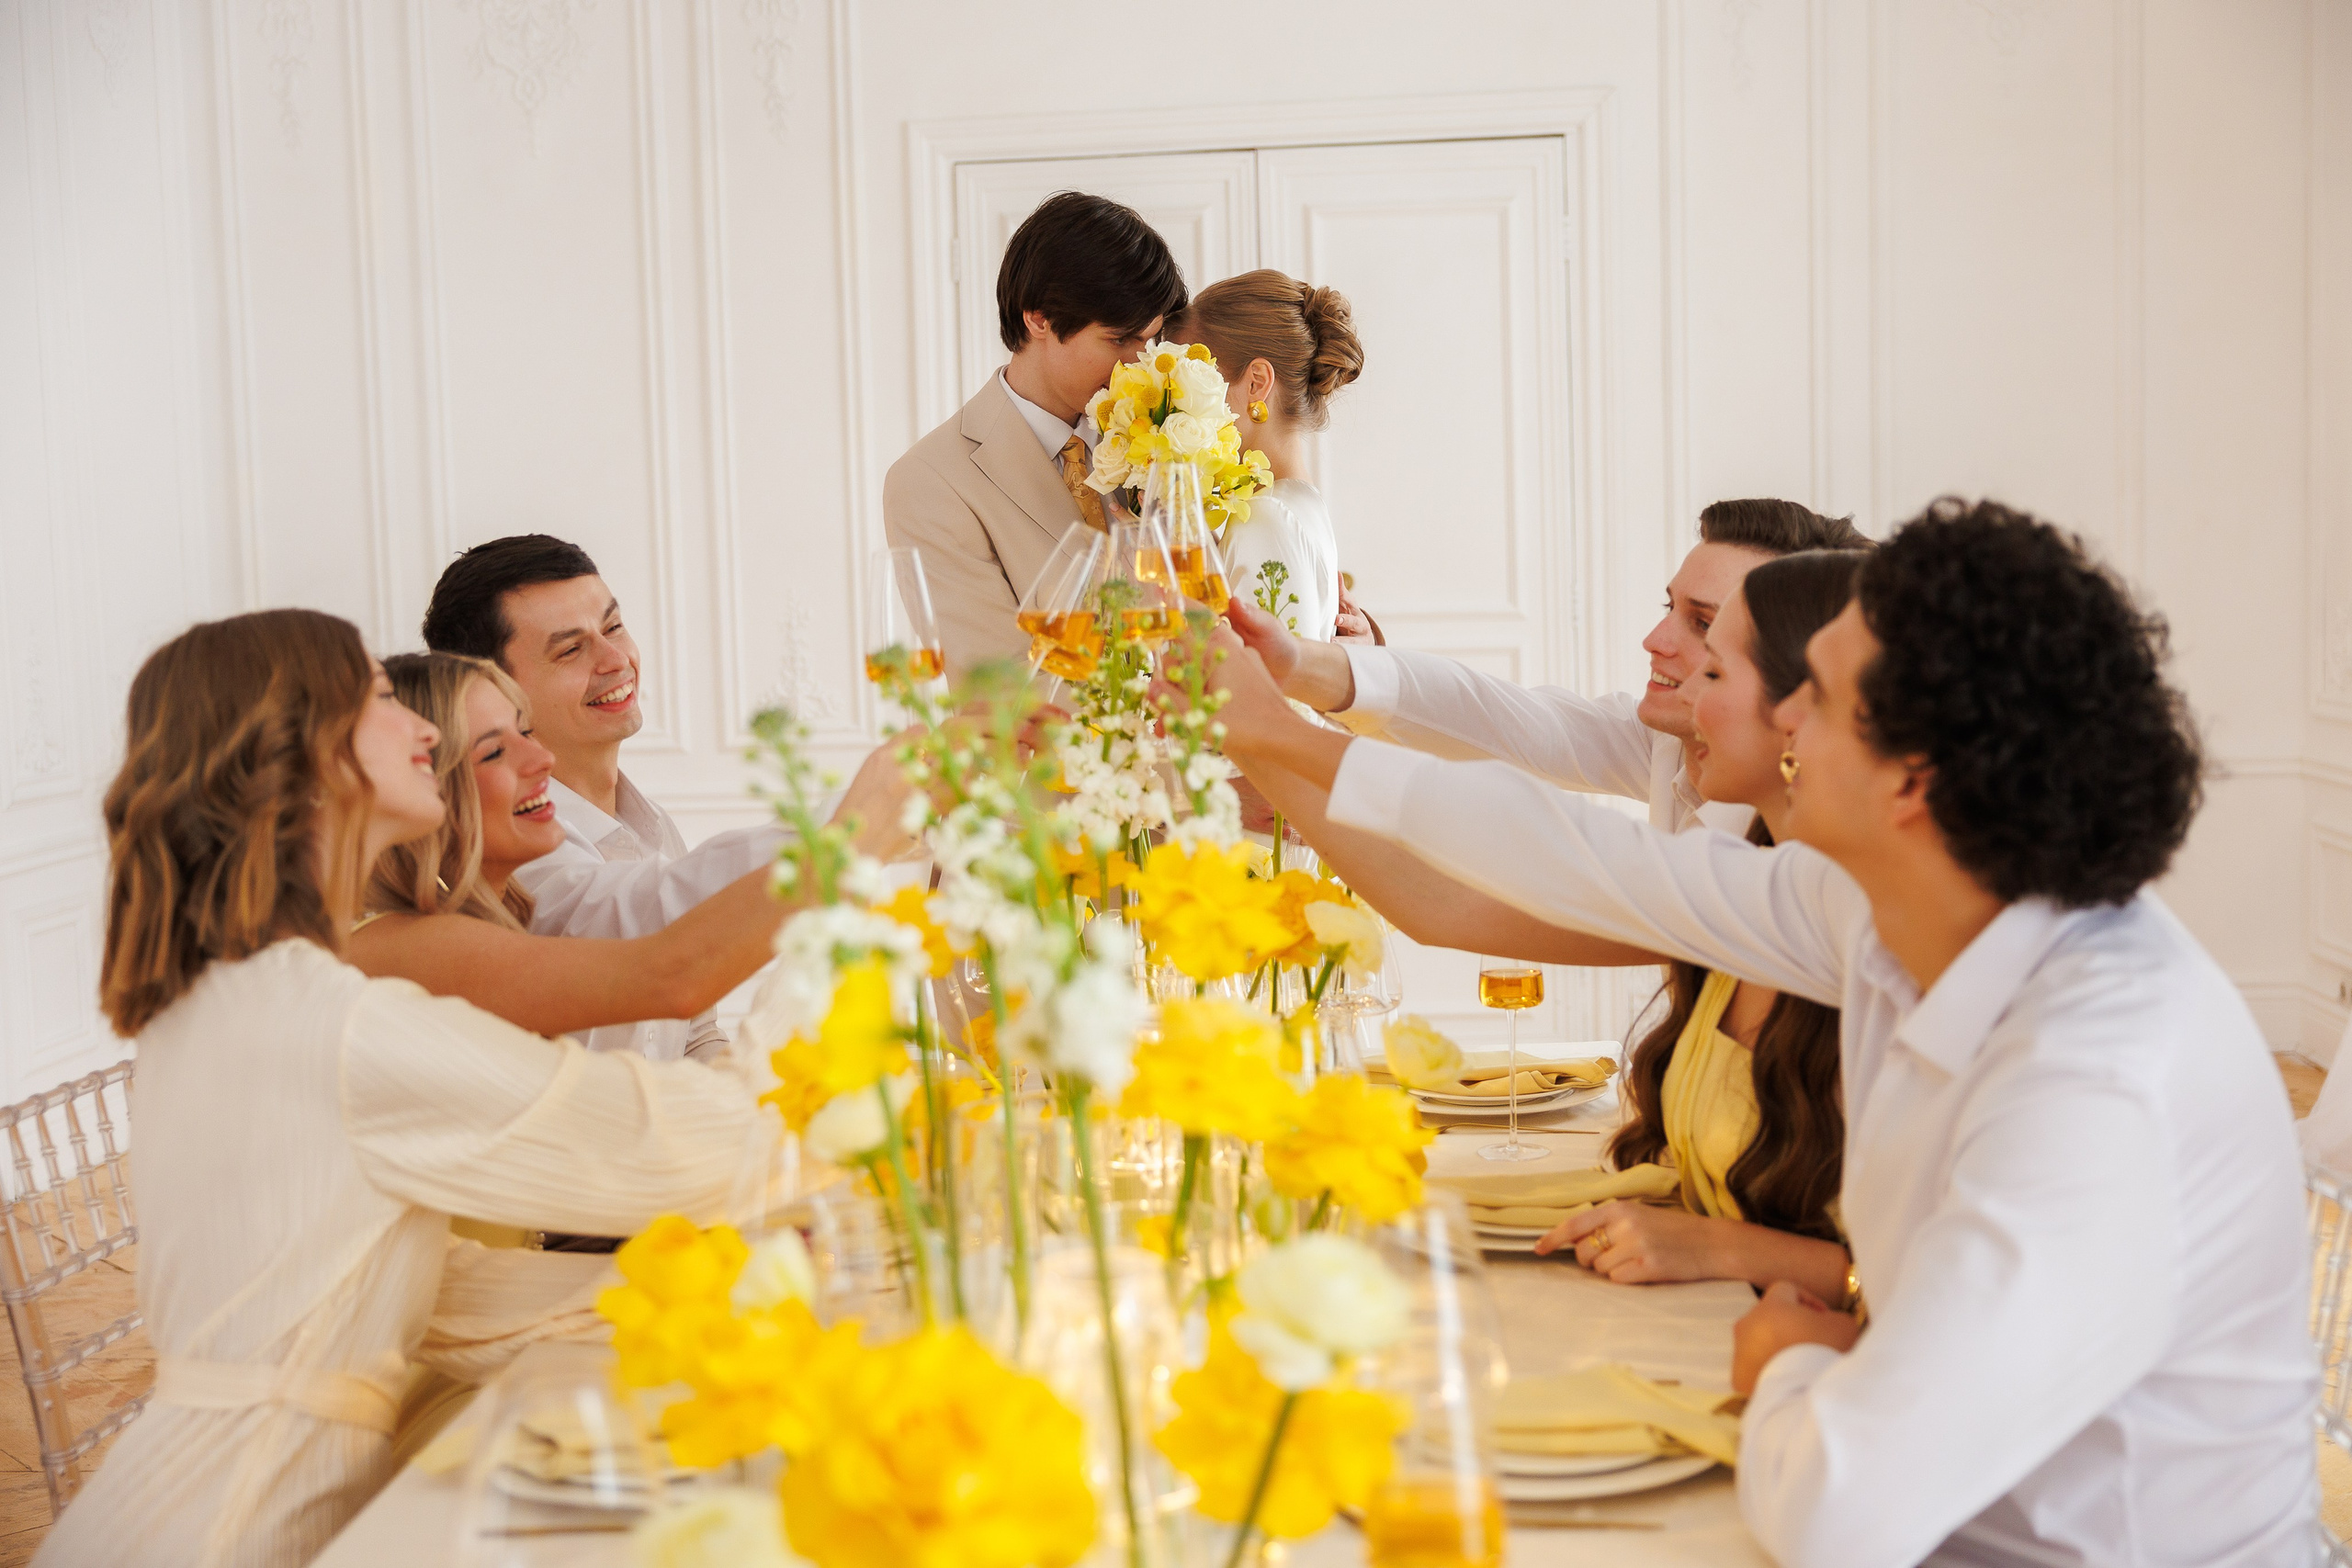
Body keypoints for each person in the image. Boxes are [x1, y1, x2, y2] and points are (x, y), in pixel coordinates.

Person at [1193, 499, 2315, 1565]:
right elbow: (1598, 864)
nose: (1780, 718)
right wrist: (1278, 732)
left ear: (1910, 780)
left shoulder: (2095, 1085)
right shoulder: (1883, 908)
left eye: (1814, 697)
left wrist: (1787, 1363)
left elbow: (1840, 1508)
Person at [43, 610, 766, 1568]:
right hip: (228, 1533)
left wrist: (710, 1285)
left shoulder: (234, 993)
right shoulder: (334, 1021)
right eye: (383, 700)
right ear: (301, 756)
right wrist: (838, 1114)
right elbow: (648, 1138)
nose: (424, 733)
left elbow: (431, 1289)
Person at [348, 651, 912, 1051]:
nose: (541, 761)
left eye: (527, 732)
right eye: (495, 752)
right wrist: (852, 840)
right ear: (429, 776)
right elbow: (671, 972)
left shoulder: (503, 909)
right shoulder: (413, 946)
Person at [423, 533, 835, 1061]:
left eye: (614, 626)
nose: (616, 659)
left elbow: (693, 1034)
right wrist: (860, 818)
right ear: (493, 693)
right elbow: (653, 934)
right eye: (571, 649)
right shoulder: (506, 857)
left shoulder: (653, 825)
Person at [1238, 497, 1871, 832]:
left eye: (1703, 625)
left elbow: (1570, 873)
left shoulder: (1801, 838)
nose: (1654, 639)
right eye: (1667, 606)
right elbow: (1511, 722)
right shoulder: (1670, 742)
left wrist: (1281, 742)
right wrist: (1302, 663)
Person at [885, 191, 1189, 675]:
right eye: (1118, 339)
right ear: (1039, 317)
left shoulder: (1162, 435)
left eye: (1148, 339)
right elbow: (999, 686)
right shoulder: (931, 481)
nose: (1140, 361)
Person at [1166, 270, 1364, 641]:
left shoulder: (1267, 517)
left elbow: (1267, 693)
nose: (1175, 402)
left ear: (1256, 382)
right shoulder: (1296, 504)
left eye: (1191, 378)